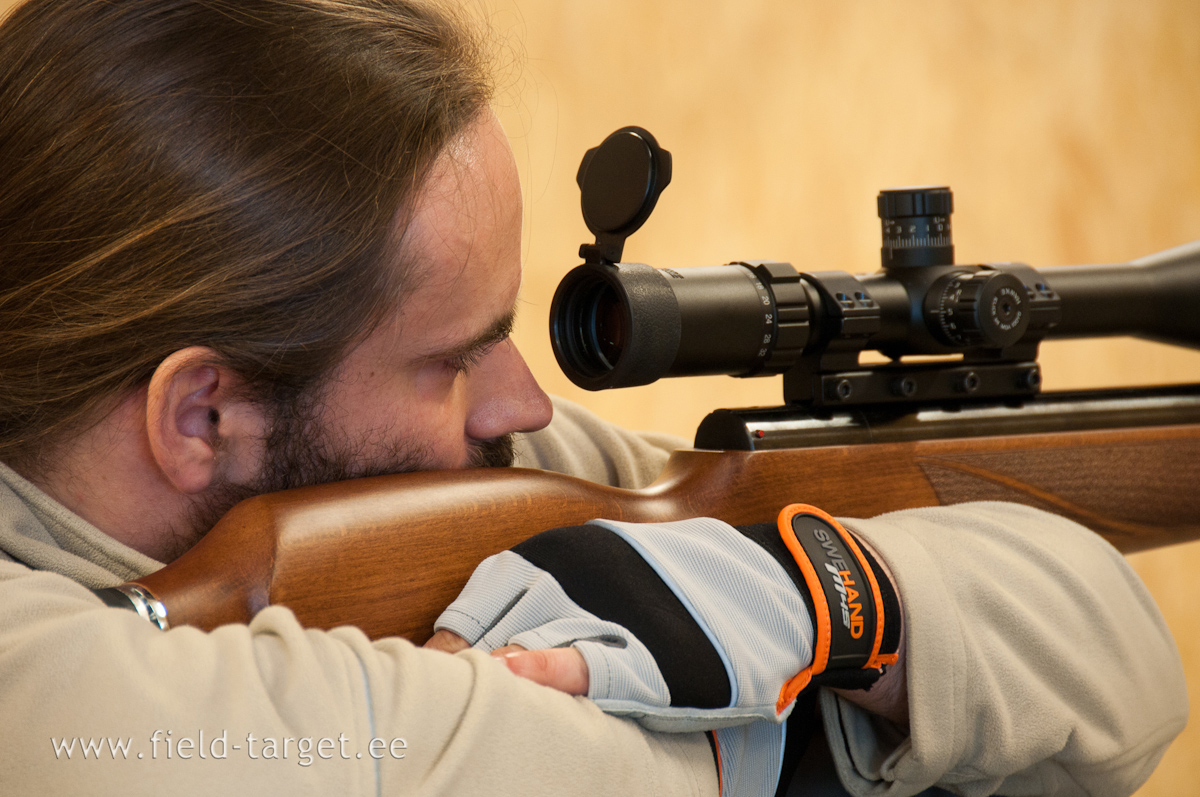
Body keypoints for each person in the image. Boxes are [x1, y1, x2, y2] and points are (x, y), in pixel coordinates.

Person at [0, 0, 1185, 794]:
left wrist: (827, 595)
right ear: (202, 415)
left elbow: (1123, 662)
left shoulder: (474, 466)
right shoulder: (43, 690)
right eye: (456, 354)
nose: (523, 403)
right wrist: (791, 707)